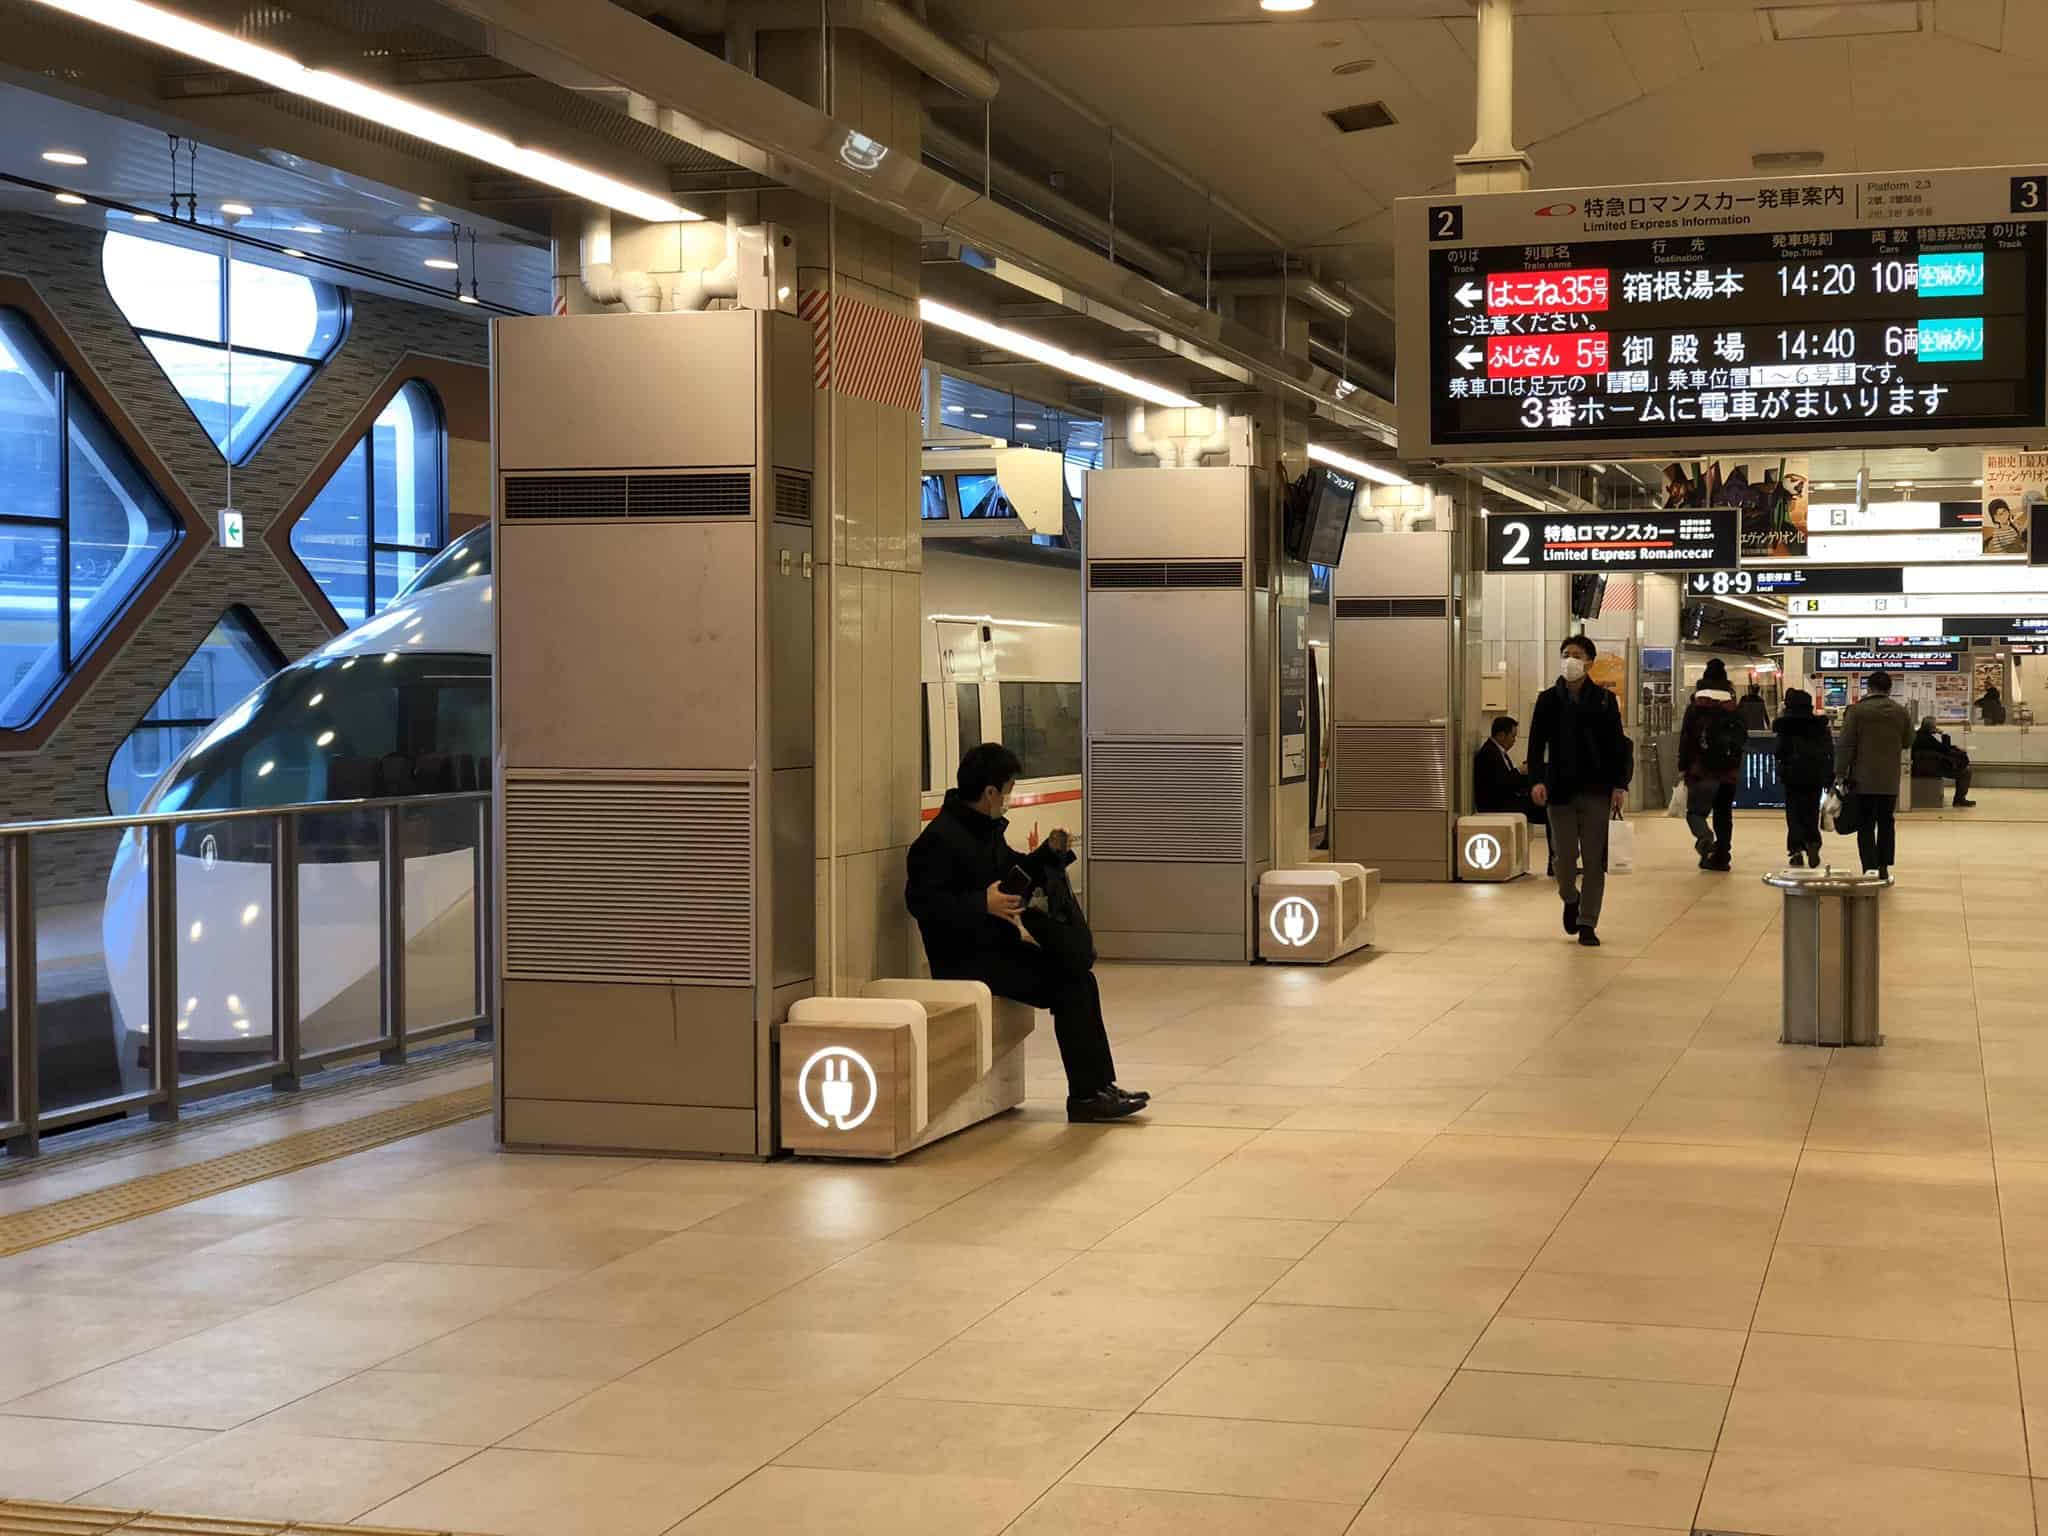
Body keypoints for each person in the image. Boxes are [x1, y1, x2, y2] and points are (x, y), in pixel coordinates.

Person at [905, 742, 1147, 1124]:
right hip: (967, 960)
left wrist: (1050, 854)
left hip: (996, 949)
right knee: (1070, 984)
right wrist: (980, 904)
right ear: (990, 793)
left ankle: (1097, 1088)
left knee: (1079, 979)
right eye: (1008, 790)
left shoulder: (984, 831)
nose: (1009, 799)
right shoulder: (938, 841)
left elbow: (1013, 872)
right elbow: (921, 903)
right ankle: (1087, 1096)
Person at [1526, 634, 1632, 947]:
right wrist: (1536, 780)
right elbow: (1535, 746)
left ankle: (1588, 922)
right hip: (1559, 790)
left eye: (1576, 654)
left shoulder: (1604, 700)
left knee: (1594, 859)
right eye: (1565, 653)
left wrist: (1618, 785)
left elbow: (1616, 746)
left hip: (1597, 790)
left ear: (1589, 662)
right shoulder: (1547, 700)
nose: (1569, 659)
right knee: (1564, 858)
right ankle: (1569, 896)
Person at [1835, 670, 1916, 879]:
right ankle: (1883, 866)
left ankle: (1869, 867)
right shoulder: (1901, 712)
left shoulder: (1857, 711)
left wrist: (1839, 773)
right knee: (1887, 822)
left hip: (1862, 780)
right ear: (1889, 689)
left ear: (1868, 688)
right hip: (1889, 779)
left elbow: (1845, 745)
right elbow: (1908, 741)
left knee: (1866, 824)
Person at [1679, 659, 1746, 872]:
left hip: (1701, 771)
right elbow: (1741, 739)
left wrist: (1684, 766)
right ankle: (1722, 855)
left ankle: (1706, 841)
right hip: (1727, 773)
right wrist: (1735, 764)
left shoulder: (1695, 707)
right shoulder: (1733, 708)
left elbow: (1686, 739)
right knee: (1723, 814)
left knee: (1695, 813)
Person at [1774, 688, 1833, 867]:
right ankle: (1813, 842)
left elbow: (1779, 751)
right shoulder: (1820, 726)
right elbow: (1829, 751)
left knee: (1794, 813)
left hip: (1792, 775)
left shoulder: (1785, 726)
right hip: (1815, 775)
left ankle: (1796, 850)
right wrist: (1829, 775)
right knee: (1811, 810)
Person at [1912, 716, 1976, 808]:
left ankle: (1959, 799)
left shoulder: (1917, 735)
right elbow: (1945, 749)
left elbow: (1940, 748)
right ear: (1932, 727)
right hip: (1932, 767)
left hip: (1920, 766)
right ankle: (1959, 800)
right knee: (1966, 772)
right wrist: (1943, 734)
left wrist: (1953, 748)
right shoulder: (1928, 739)